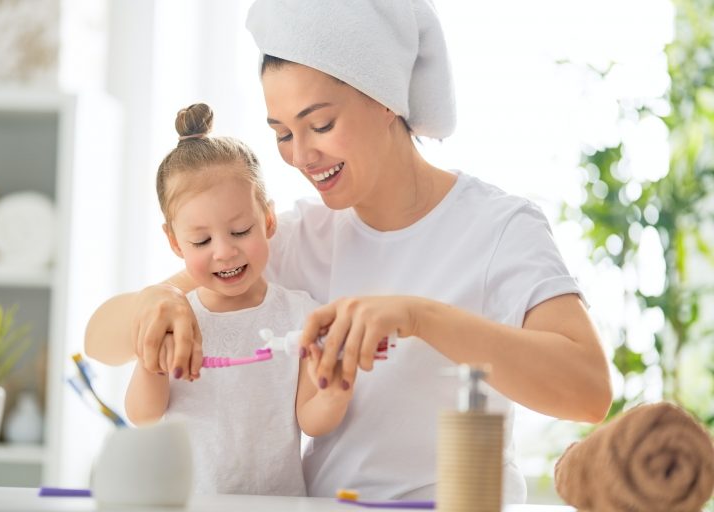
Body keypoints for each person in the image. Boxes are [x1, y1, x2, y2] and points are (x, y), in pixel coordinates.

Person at [85, 0, 612, 504]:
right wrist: (155, 302)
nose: (301, 155)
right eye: (283, 134)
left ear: (385, 97)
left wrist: (419, 316)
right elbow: (100, 342)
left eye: (320, 125)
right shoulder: (295, 237)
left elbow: (588, 391)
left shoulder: (498, 228)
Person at [122, 102, 352, 496]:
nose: (224, 252)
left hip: (278, 505)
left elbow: (311, 422)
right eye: (202, 240)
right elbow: (143, 416)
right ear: (175, 242)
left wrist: (337, 386)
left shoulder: (301, 314)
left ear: (267, 220)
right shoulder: (177, 320)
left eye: (241, 230)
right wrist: (152, 363)